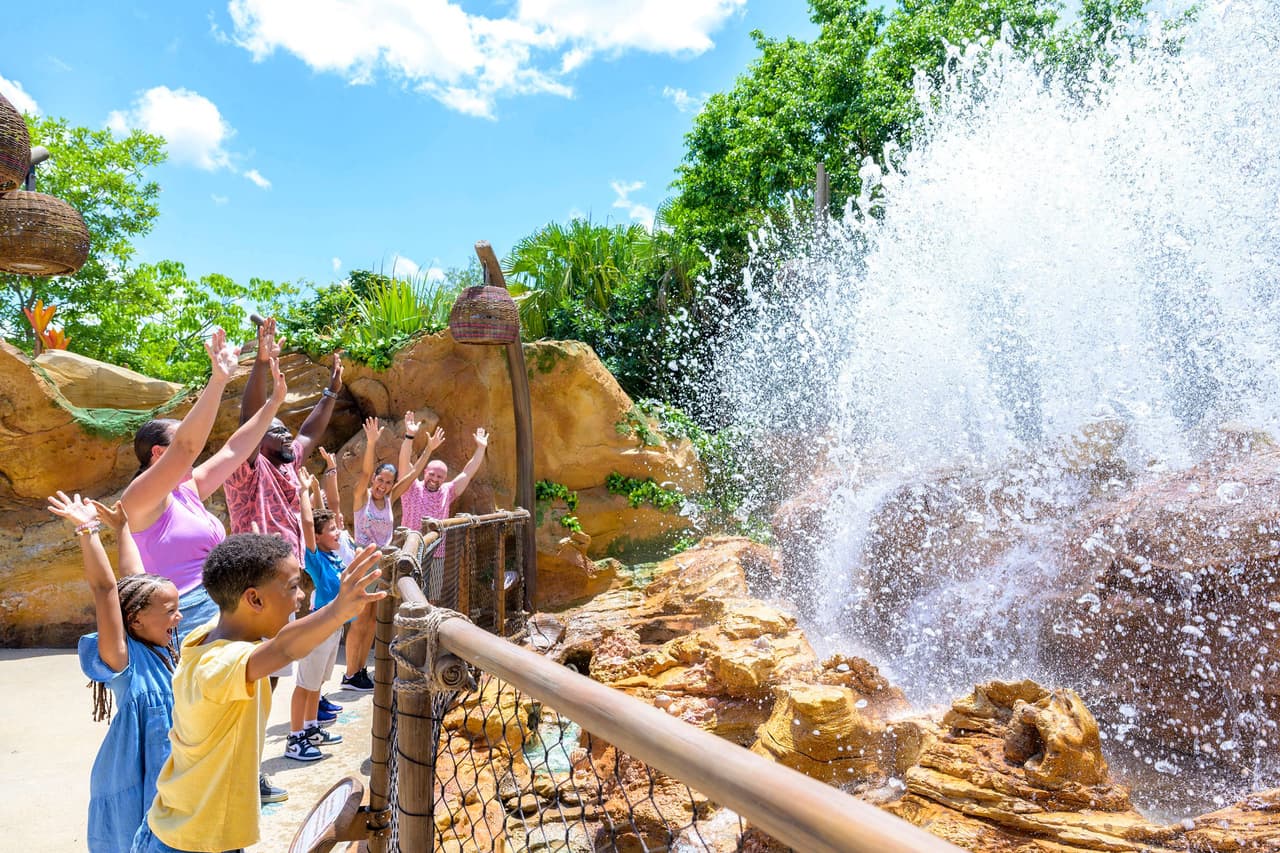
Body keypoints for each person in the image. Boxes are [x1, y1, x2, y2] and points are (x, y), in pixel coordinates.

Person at [131, 533, 383, 853]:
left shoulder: (211, 634)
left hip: (191, 829)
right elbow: (284, 648)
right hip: (190, 841)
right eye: (292, 586)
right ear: (254, 600)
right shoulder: (218, 666)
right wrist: (337, 610)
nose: (301, 596)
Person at [121, 329, 288, 642]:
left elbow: (235, 450)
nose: (195, 448)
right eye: (178, 441)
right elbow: (186, 447)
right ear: (158, 453)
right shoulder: (140, 498)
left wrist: (274, 402)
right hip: (181, 617)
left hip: (220, 607)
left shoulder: (188, 488)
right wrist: (218, 380)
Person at [48, 492, 180, 853]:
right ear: (135, 619)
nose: (179, 617)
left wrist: (122, 530)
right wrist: (87, 529)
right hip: (133, 776)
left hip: (170, 773)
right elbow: (106, 589)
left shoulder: (166, 648)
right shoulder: (122, 657)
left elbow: (135, 581)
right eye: (171, 611)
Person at [223, 318, 344, 560]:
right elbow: (250, 420)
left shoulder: (288, 464)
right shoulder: (247, 471)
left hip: (289, 566)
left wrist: (331, 392)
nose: (287, 435)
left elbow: (308, 433)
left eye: (286, 431)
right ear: (259, 438)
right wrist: (262, 362)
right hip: (257, 567)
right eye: (278, 432)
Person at [286, 467, 349, 760]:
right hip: (318, 627)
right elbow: (308, 523)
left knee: (318, 683)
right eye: (332, 530)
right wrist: (304, 492)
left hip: (333, 627)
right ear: (319, 537)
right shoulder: (315, 558)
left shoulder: (334, 556)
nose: (338, 532)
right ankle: (295, 738)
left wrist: (317, 490)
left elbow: (325, 516)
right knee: (304, 684)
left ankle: (311, 727)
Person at [395, 415, 487, 598]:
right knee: (405, 596)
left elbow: (467, 473)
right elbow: (403, 463)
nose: (434, 479)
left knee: (432, 598)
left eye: (439, 477)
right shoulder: (411, 487)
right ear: (425, 472)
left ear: (444, 479)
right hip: (409, 552)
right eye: (432, 474)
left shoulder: (447, 491)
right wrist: (409, 436)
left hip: (436, 553)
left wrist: (481, 448)